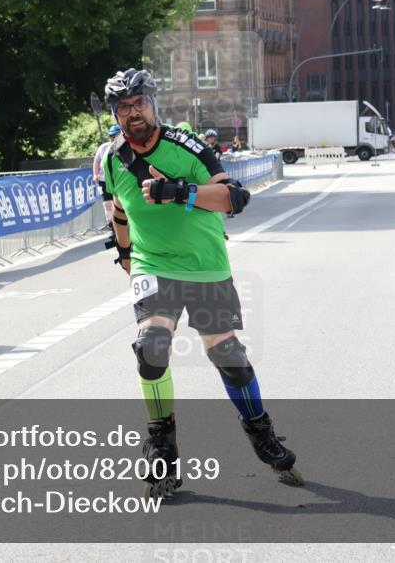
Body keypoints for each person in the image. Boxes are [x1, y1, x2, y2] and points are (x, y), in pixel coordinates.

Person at [101, 68, 302, 498]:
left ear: (154, 104)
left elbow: (233, 198)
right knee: (151, 348)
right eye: (123, 108)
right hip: (153, 266)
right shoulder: (111, 158)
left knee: (227, 355)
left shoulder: (186, 146)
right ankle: (162, 446)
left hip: (205, 265)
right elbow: (119, 210)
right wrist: (124, 254)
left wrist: (180, 192)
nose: (132, 113)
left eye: (139, 104)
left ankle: (261, 431)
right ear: (114, 115)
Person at [93, 125, 121, 239]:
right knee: (108, 205)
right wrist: (95, 174)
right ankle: (112, 228)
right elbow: (96, 162)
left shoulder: (125, 148)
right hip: (104, 181)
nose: (115, 139)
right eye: (113, 136)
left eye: (117, 136)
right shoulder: (104, 147)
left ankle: (124, 229)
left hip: (119, 181)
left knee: (120, 206)